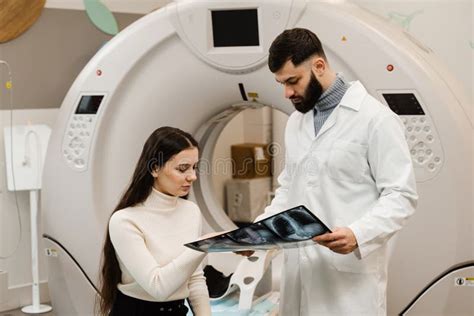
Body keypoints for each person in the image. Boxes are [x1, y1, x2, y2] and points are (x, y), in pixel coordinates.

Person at [255, 28, 418, 315]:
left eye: (293, 81)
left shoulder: (376, 120)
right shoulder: (296, 122)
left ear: (319, 66)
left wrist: (358, 234)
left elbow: (400, 195)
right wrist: (258, 232)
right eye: (281, 83)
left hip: (348, 279)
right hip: (299, 272)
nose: (287, 92)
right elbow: (289, 187)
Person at [98, 126, 212, 316]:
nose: (192, 176)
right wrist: (204, 246)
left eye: (194, 168)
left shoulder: (191, 212)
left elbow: (195, 279)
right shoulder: (124, 221)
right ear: (154, 168)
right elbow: (158, 287)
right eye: (182, 169)